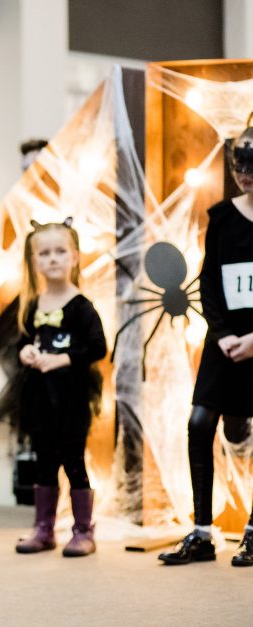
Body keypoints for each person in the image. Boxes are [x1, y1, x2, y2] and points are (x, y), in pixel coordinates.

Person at [158, 127, 253, 566]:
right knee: (199, 423)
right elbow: (209, 281)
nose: (246, 175)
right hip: (225, 342)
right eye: (240, 166)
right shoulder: (220, 218)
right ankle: (201, 529)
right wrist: (221, 334)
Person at [14, 219, 106, 557]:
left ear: (75, 257)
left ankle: (83, 529)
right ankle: (43, 528)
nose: (53, 259)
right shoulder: (32, 305)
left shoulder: (81, 306)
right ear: (34, 260)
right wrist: (24, 352)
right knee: (43, 461)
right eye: (45, 253)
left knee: (73, 460)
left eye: (60, 251)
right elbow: (23, 340)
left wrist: (62, 359)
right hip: (39, 398)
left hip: (72, 398)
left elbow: (98, 347)